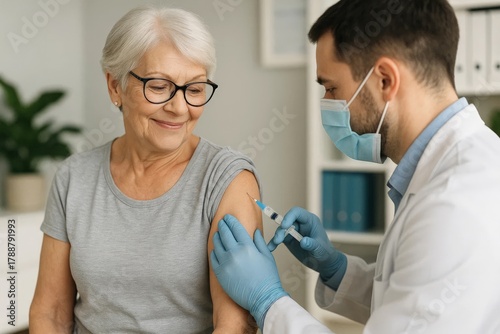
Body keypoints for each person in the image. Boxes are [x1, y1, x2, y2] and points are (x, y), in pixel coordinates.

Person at [210, 0, 500, 333]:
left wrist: (267, 301)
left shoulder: (454, 206)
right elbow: (412, 301)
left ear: (385, 80)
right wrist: (336, 268)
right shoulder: (461, 166)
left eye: (332, 87)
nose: (328, 104)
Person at [29, 6, 262, 333]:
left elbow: (234, 326)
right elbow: (50, 312)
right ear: (114, 86)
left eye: (194, 89)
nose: (179, 107)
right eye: (158, 86)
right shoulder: (73, 177)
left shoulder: (228, 181)